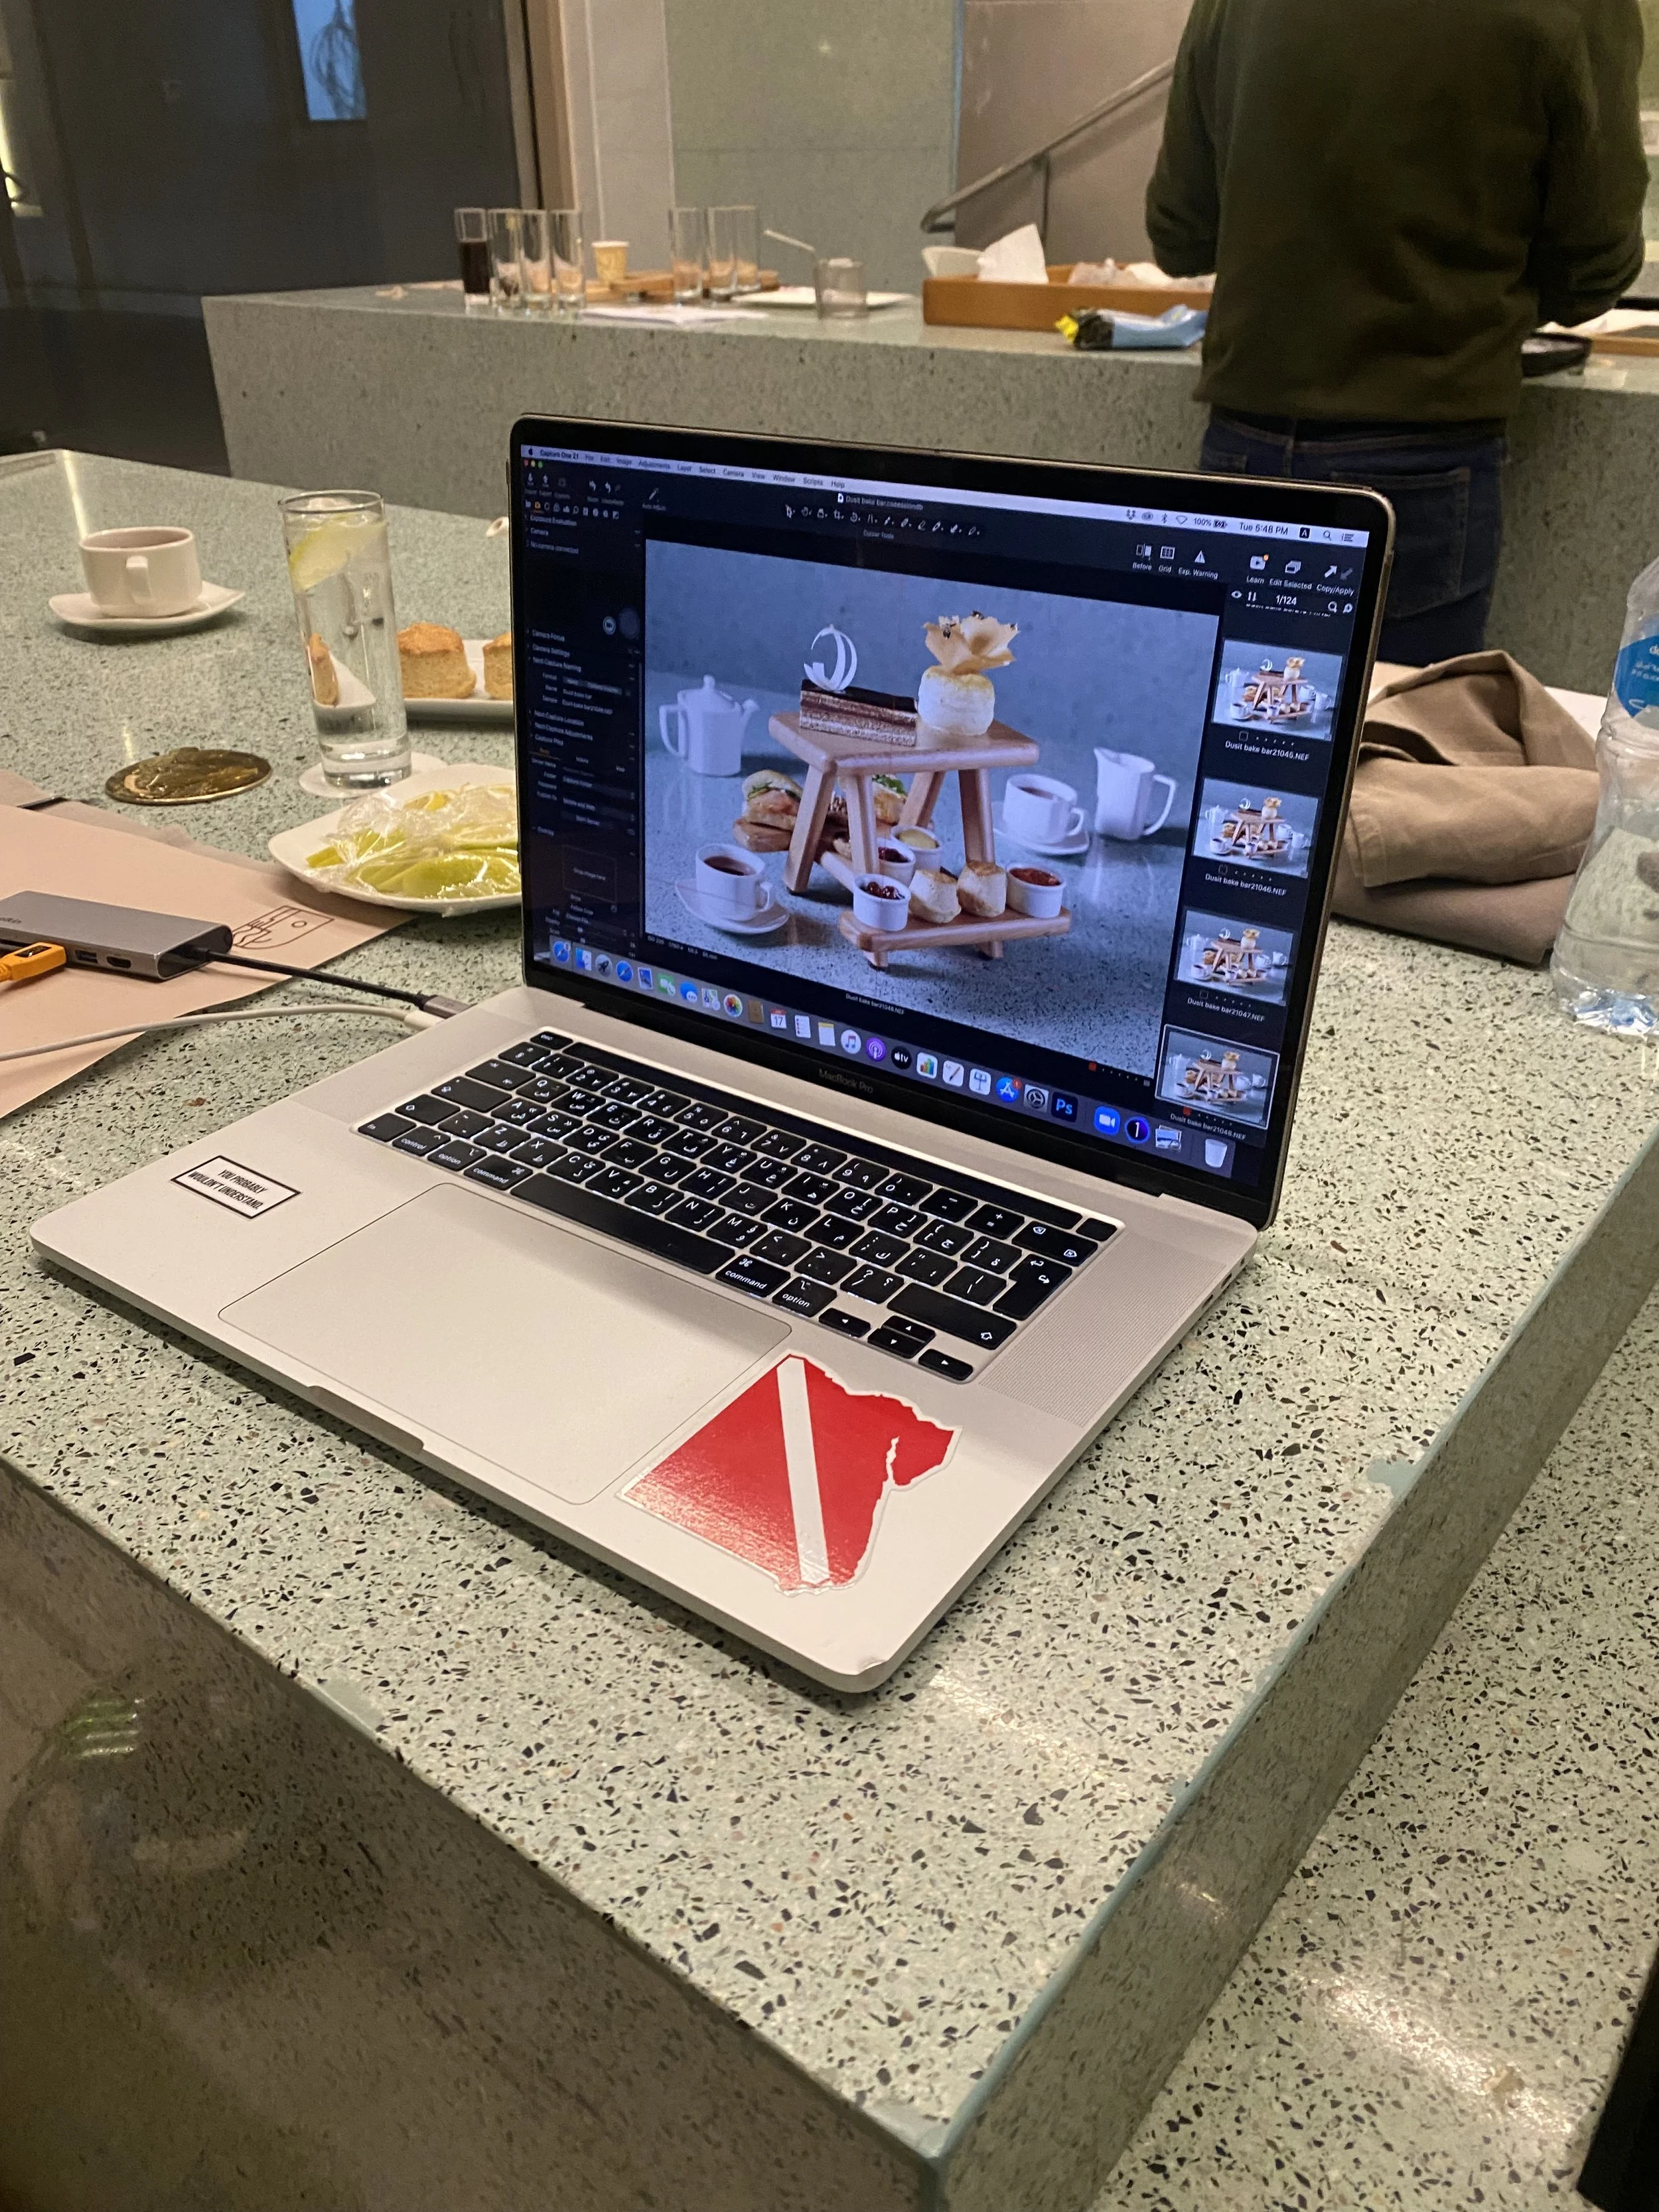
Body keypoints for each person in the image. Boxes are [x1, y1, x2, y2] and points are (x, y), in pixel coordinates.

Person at [1146, 0, 1648, 664]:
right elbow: (1596, 264)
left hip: (1245, 438)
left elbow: (1180, 236)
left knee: (1239, 745)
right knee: (1399, 749)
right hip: (1423, 448)